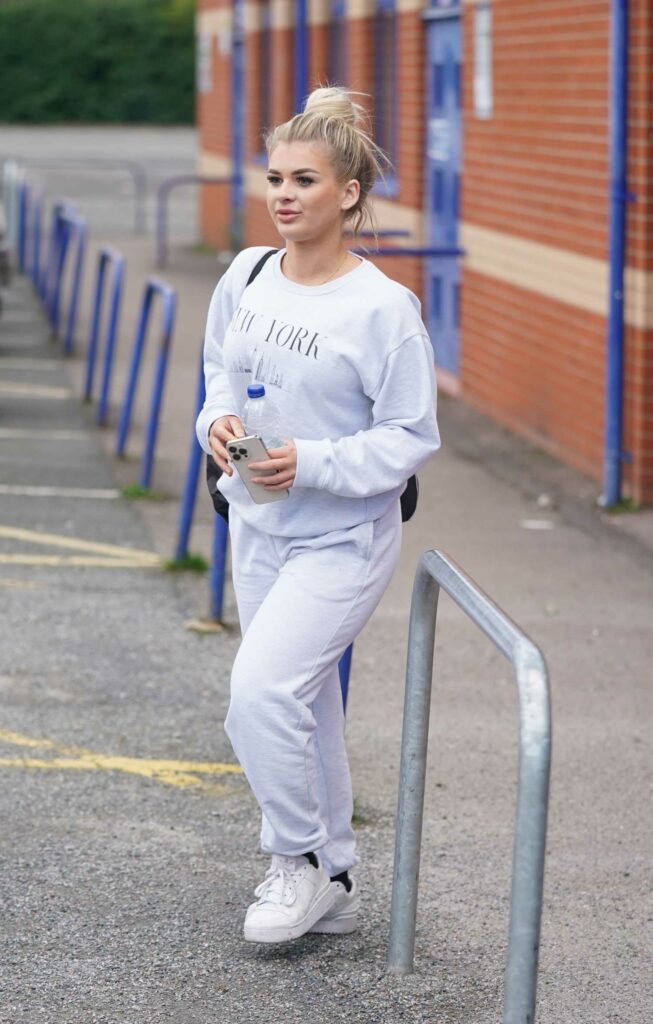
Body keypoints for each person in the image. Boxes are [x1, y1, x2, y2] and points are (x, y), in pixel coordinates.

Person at [196, 86, 440, 944]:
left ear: (347, 193)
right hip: (256, 523)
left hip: (341, 537)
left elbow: (411, 435)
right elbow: (218, 374)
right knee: (305, 707)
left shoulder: (381, 310)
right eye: (274, 177)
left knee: (258, 696)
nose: (284, 194)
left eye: (304, 178)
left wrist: (318, 461)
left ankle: (294, 860)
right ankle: (331, 869)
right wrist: (215, 424)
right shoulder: (248, 272)